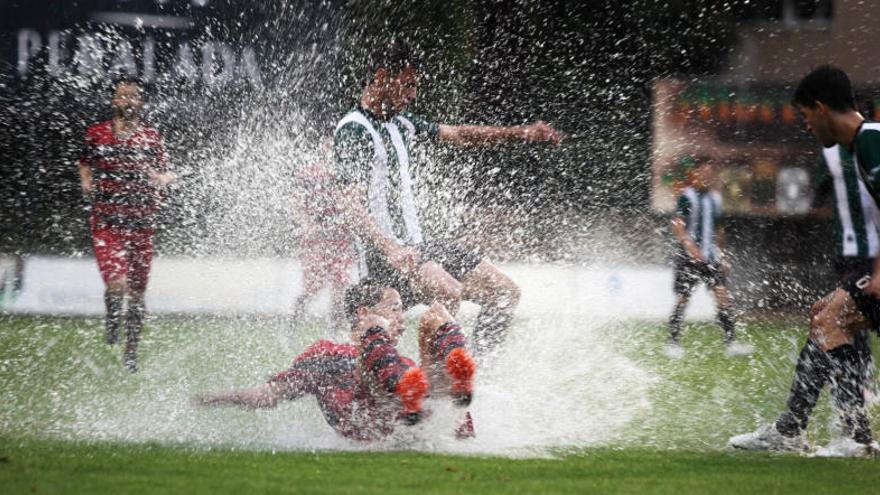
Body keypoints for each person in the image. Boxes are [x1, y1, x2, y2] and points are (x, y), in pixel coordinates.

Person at [333, 40, 563, 358]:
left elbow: (461, 134)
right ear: (383, 76)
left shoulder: (403, 125)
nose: (413, 94)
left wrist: (521, 133)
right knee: (448, 290)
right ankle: (439, 396)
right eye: (408, 84)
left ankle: (478, 380)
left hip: (417, 248)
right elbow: (349, 205)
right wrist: (392, 248)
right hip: (382, 258)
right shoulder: (354, 130)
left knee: (505, 293)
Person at [729, 65, 880, 457]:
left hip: (869, 262)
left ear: (820, 108)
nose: (807, 126)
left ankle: (852, 436)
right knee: (825, 316)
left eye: (805, 116)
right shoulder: (860, 145)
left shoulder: (870, 141)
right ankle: (793, 429)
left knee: (831, 320)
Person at [195, 279, 477, 441]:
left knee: (436, 314)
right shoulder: (326, 353)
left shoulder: (402, 360)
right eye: (395, 309)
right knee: (376, 330)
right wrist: (223, 397)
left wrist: (461, 417)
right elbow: (270, 395)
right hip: (376, 405)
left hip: (408, 410)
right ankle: (407, 385)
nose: (401, 318)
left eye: (402, 310)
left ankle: (453, 374)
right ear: (361, 311)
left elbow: (452, 428)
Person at [79, 76, 176, 372]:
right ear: (114, 100)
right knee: (117, 285)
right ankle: (112, 320)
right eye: (123, 96)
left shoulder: (150, 138)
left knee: (136, 296)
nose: (129, 101)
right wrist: (86, 182)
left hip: (141, 228)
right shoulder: (96, 134)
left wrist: (161, 179)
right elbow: (85, 161)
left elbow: (168, 174)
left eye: (134, 96)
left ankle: (131, 352)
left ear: (141, 102)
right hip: (107, 223)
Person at [666, 158, 752, 358]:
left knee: (723, 297)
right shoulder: (687, 197)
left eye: (710, 174)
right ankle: (672, 343)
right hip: (689, 259)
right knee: (683, 298)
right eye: (703, 173)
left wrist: (722, 257)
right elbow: (678, 224)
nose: (707, 177)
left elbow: (719, 231)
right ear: (695, 174)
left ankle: (731, 343)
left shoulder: (715, 199)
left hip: (711, 258)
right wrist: (690, 246)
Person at [290, 140, 355, 336]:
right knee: (312, 288)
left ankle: (335, 333)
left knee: (340, 288)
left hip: (341, 240)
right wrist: (306, 224)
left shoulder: (346, 172)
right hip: (315, 242)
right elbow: (296, 203)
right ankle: (292, 325)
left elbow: (353, 202)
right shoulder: (310, 174)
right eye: (329, 144)